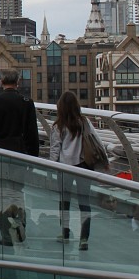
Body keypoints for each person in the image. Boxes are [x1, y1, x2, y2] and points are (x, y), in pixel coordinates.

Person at [0, 69, 39, 247]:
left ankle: (6, 235)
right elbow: (32, 133)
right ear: (18, 83)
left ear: (1, 82)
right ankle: (20, 227)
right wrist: (33, 157)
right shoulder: (27, 102)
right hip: (19, 152)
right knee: (16, 193)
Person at [49, 91, 96, 251]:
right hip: (84, 166)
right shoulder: (84, 122)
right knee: (84, 202)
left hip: (64, 167)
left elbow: (55, 149)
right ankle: (84, 238)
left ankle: (65, 233)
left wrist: (51, 167)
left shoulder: (58, 126)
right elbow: (96, 140)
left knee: (64, 202)